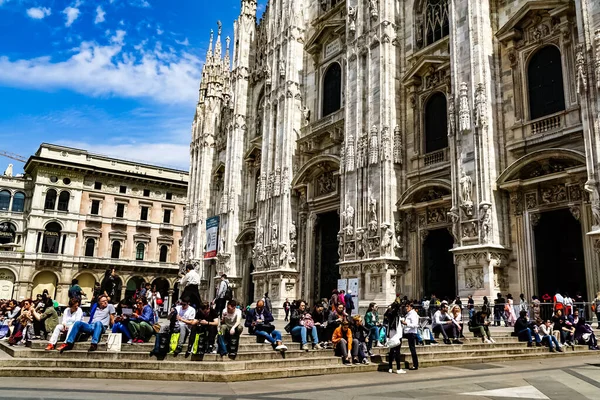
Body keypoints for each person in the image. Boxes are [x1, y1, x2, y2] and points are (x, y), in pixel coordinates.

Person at [384, 302, 405, 374]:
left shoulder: (389, 314)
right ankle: (398, 368)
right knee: (397, 352)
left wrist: (390, 307)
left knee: (391, 351)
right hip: (397, 335)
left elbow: (386, 315)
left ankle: (390, 367)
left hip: (391, 334)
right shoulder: (396, 315)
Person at [401, 302, 419, 370]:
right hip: (407, 332)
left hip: (411, 333)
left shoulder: (413, 314)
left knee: (412, 349)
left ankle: (415, 364)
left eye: (407, 306)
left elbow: (415, 325)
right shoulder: (408, 314)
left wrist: (406, 323)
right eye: (406, 306)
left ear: (411, 307)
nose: (406, 308)